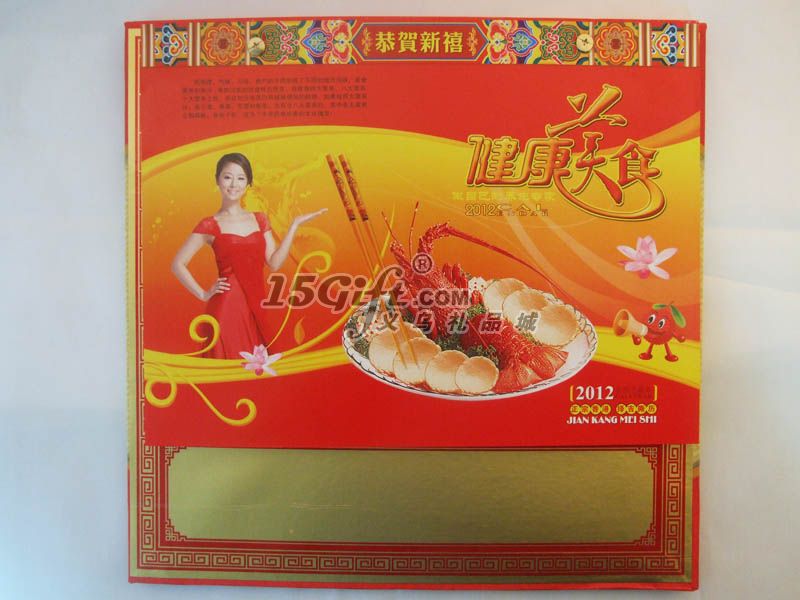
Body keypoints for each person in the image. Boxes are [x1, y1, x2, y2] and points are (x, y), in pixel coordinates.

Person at [171, 152, 326, 358]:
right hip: (226, 308)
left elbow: (274, 263)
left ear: (248, 184)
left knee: (257, 368)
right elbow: (178, 264)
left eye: (240, 178)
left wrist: (294, 226)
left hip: (256, 307)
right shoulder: (209, 224)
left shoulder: (260, 219)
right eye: (227, 177)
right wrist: (203, 294)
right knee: (228, 367)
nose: (233, 184)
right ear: (217, 180)